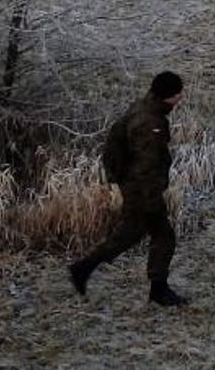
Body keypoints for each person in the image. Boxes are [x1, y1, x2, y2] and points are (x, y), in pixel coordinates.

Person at [68, 72, 188, 306]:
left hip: (135, 186)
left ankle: (84, 269)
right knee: (161, 236)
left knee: (131, 234)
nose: (182, 96)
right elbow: (147, 166)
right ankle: (158, 290)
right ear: (169, 97)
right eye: (179, 93)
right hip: (141, 190)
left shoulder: (145, 107)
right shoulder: (150, 125)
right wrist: (152, 199)